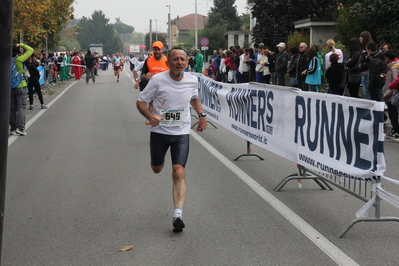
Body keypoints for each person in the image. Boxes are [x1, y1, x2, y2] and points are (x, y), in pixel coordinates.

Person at [136, 47, 208, 232]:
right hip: (159, 132)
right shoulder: (158, 80)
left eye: (183, 59)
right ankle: (158, 163)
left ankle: (178, 214)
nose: (180, 62)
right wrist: (149, 116)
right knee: (157, 168)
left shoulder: (192, 80)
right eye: (175, 59)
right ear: (168, 63)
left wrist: (202, 115)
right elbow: (141, 101)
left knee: (179, 170)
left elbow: (194, 99)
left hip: (181, 132)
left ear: (187, 62)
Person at [10, 43, 34, 136]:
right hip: (21, 85)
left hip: (10, 87)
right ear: (18, 51)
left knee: (11, 109)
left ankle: (13, 128)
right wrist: (21, 44)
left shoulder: (6, 61)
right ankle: (21, 128)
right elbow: (30, 50)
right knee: (21, 107)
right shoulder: (19, 60)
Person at [383, 50, 399, 137]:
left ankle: (395, 129)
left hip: (392, 94)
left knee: (393, 113)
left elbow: (395, 81)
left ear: (388, 58)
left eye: (385, 58)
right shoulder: (393, 67)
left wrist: (386, 94)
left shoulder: (394, 68)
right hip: (392, 93)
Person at [358, 31, 374, 99]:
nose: (359, 38)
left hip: (367, 73)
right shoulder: (363, 49)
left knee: (366, 92)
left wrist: (361, 65)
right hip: (364, 72)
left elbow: (369, 61)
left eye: (361, 37)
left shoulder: (367, 50)